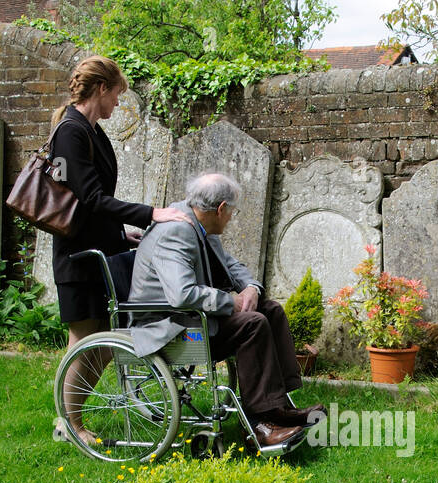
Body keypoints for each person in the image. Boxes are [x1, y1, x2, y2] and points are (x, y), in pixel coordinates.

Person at [49, 55, 188, 445]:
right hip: (78, 256)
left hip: (100, 251)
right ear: (101, 89)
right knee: (83, 339)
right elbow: (91, 199)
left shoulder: (93, 132)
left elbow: (95, 202)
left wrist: (121, 234)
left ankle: (71, 417)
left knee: (108, 340)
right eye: (116, 96)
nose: (117, 105)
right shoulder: (71, 131)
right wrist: (151, 214)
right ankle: (68, 424)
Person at [128, 171, 323, 449]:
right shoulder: (177, 231)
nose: (232, 218)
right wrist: (230, 302)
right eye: (232, 211)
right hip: (172, 328)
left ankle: (278, 408)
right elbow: (181, 295)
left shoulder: (198, 220)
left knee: (271, 311)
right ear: (220, 209)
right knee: (252, 324)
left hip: (195, 317)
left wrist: (251, 289)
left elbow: (230, 265)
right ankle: (260, 425)